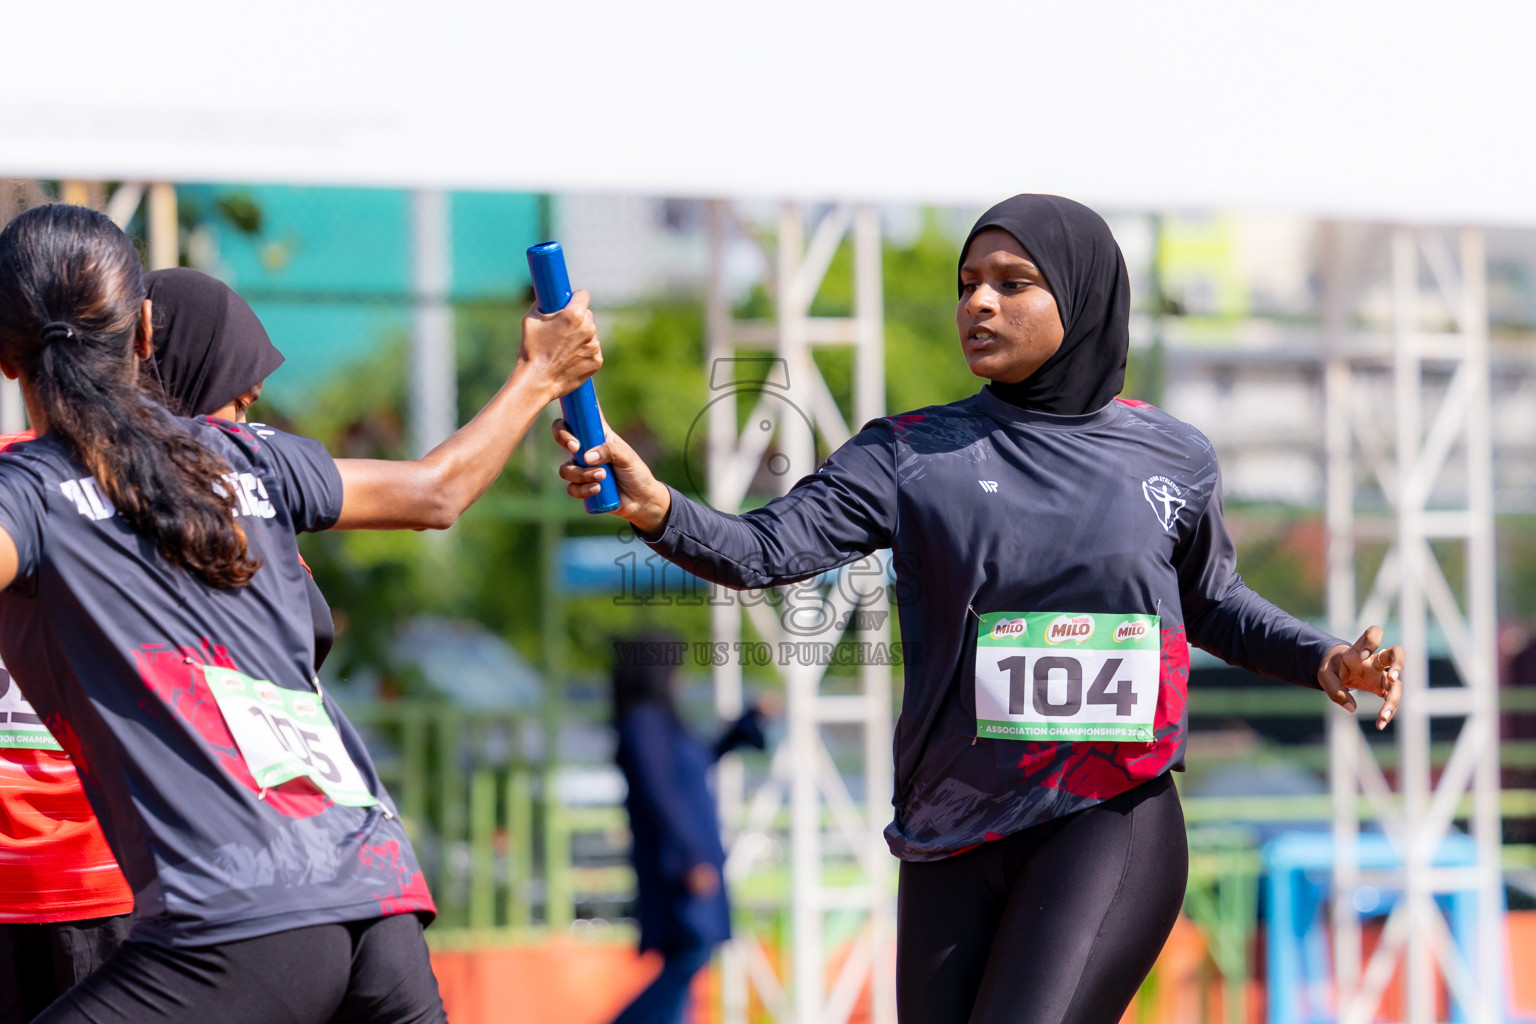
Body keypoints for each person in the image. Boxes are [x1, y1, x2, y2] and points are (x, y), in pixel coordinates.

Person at [555, 194, 1406, 1024]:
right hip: (949, 830)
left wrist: (1325, 657)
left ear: (1079, 296)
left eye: (1011, 282)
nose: (979, 303)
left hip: (1108, 814)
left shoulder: (1173, 454)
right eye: (967, 283)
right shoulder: (908, 452)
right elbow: (763, 550)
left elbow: (1212, 600)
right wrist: (656, 504)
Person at [0, 204, 600, 1024]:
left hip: (238, 922)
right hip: (375, 900)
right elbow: (436, 492)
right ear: (143, 330)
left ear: (6, 358)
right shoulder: (249, 457)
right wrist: (539, 375)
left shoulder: (29, 493)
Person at [0, 268, 283, 1024]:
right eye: (240, 403)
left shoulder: (201, 501)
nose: (244, 426)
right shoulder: (202, 506)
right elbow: (431, 493)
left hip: (120, 884)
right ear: (142, 342)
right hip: (120, 886)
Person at [609, 636, 768, 1024]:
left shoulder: (663, 722)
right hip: (678, 870)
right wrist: (689, 858)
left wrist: (748, 723)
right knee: (689, 955)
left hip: (689, 862)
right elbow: (660, 792)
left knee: (691, 962)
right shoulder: (644, 723)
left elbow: (697, 763)